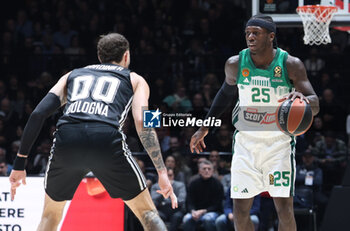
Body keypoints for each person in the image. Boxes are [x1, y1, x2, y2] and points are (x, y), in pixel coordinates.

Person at [9, 33, 177, 231]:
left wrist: (19, 164)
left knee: (49, 216)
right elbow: (143, 121)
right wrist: (162, 171)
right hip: (105, 138)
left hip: (67, 139)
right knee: (148, 213)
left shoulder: (71, 75)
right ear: (126, 56)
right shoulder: (136, 79)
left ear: (99, 57)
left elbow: (37, 114)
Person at [190, 15, 319, 231]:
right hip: (246, 143)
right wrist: (204, 127)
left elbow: (314, 104)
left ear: (271, 36)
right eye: (248, 33)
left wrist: (303, 100)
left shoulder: (290, 64)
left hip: (278, 144)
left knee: (284, 208)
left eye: (256, 33)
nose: (250, 37)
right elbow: (224, 95)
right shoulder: (235, 63)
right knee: (240, 210)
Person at [182, 160, 224, 231]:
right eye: (204, 169)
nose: (207, 171)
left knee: (207, 219)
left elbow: (217, 204)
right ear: (200, 171)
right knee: (187, 218)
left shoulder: (218, 184)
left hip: (212, 211)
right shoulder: (193, 183)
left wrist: (203, 211)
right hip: (195, 212)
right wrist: (193, 211)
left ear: (212, 171)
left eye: (209, 169)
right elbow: (189, 202)